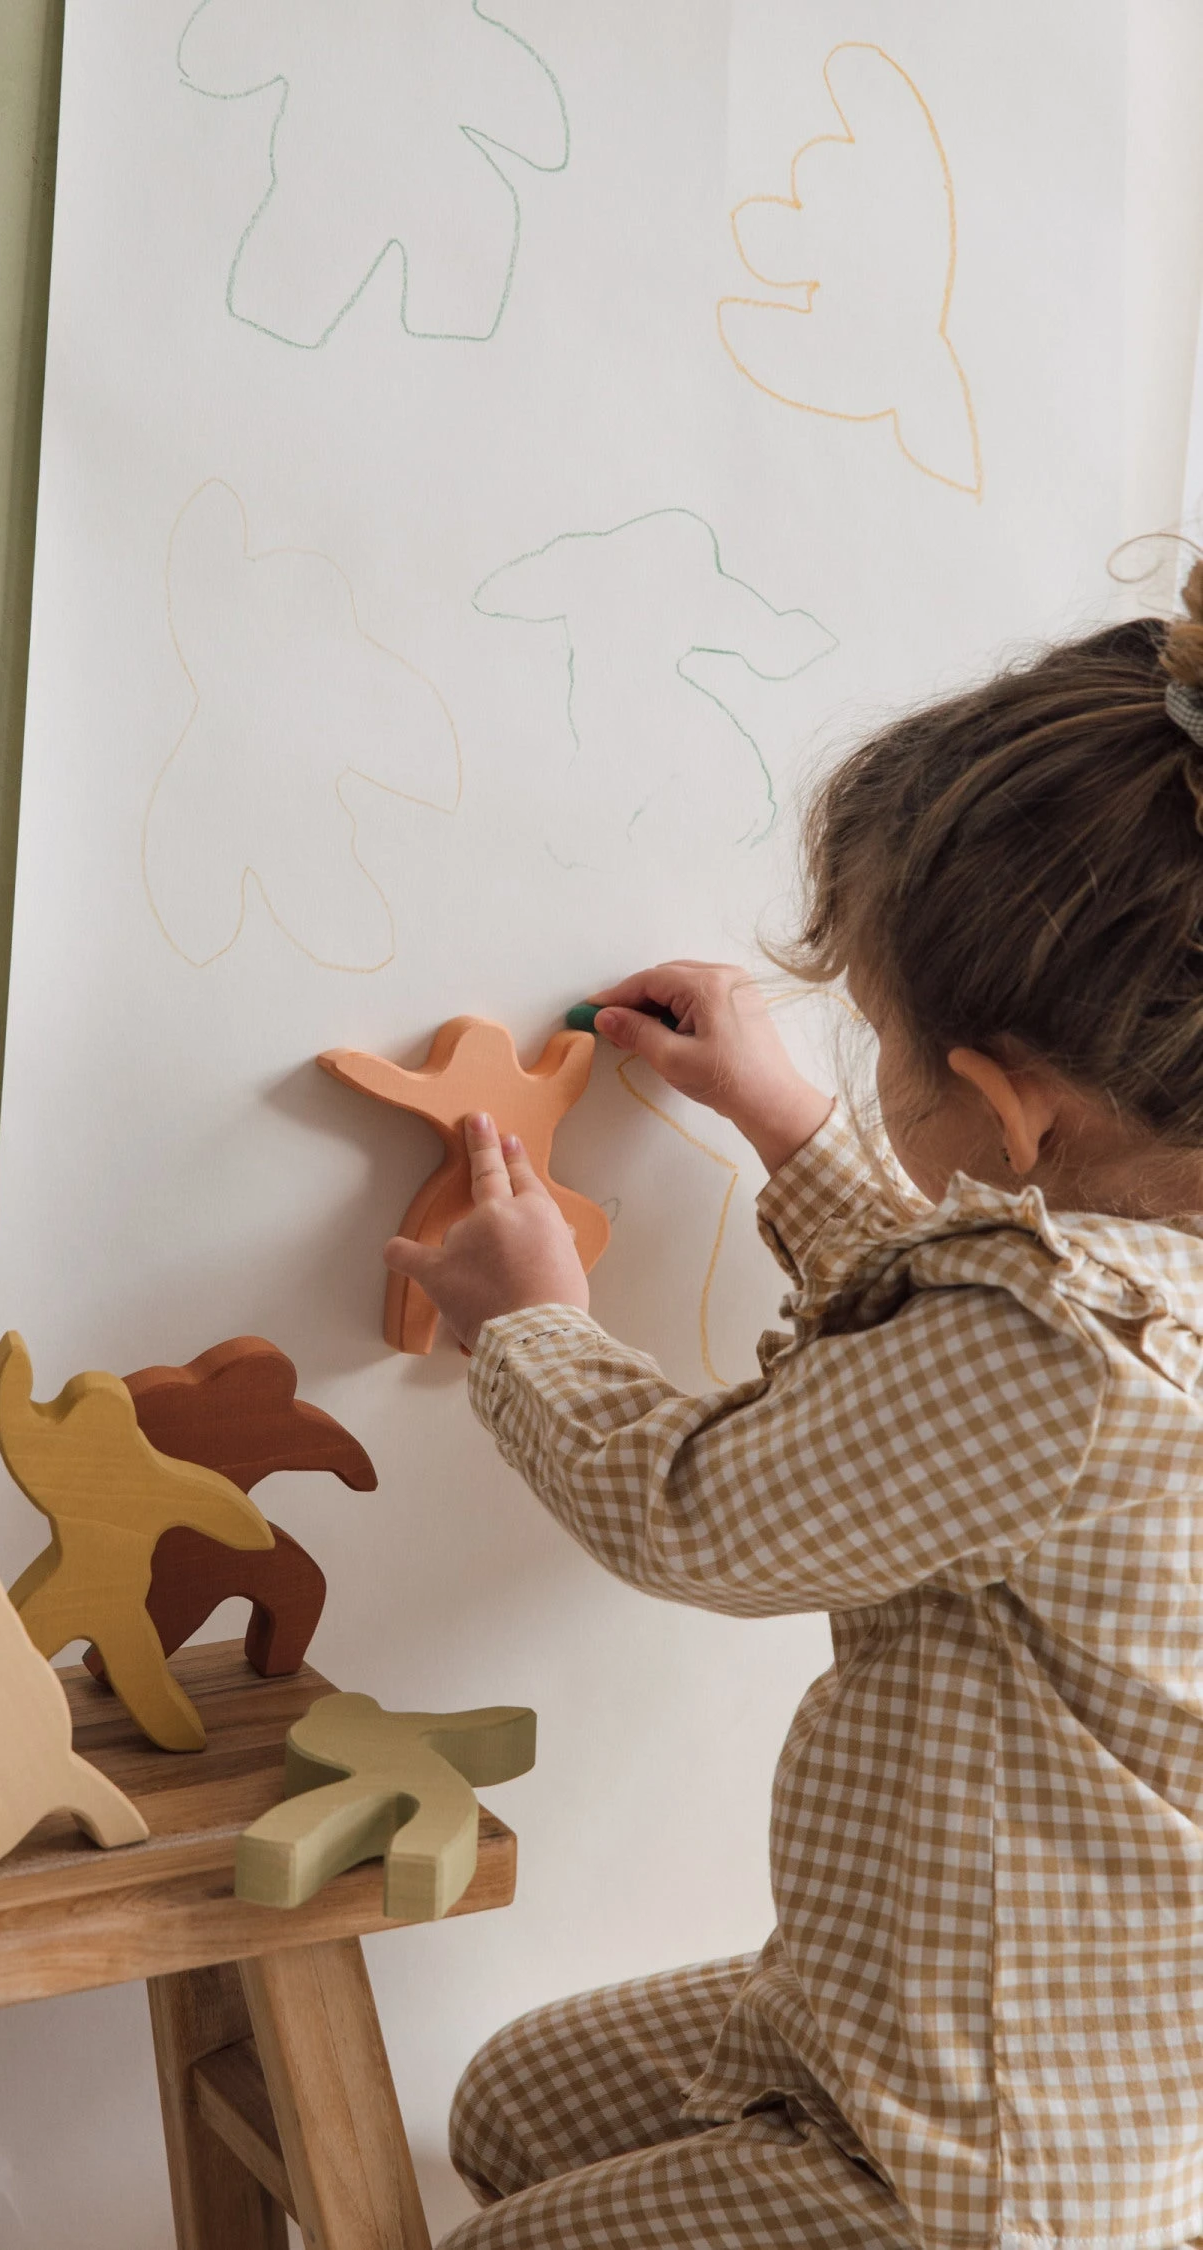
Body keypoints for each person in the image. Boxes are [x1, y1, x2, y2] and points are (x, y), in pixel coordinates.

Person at [385, 563, 1203, 2250]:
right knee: (511, 2101)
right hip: (1011, 2022)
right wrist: (793, 1133)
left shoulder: (1051, 1348)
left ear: (1004, 1106)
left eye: (876, 1044)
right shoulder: (1118, 1302)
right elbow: (952, 1367)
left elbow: (695, 1510)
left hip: (974, 2164)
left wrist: (528, 1324)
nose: (859, 1069)